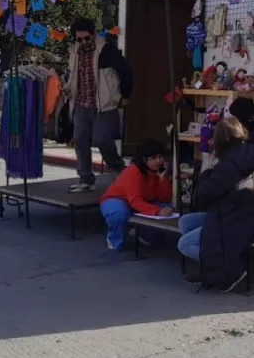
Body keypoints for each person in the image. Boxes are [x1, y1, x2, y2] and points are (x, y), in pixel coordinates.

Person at [177, 117, 254, 292]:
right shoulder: (245, 154)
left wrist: (209, 164)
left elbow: (204, 194)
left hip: (233, 220)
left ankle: (226, 268)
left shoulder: (228, 165)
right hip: (243, 213)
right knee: (185, 222)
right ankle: (211, 264)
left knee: (184, 244)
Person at [66, 18, 134, 192]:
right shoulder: (75, 51)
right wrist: (68, 88)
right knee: (80, 140)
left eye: (86, 38)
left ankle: (118, 168)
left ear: (93, 35)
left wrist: (125, 95)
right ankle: (86, 179)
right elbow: (74, 75)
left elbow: (126, 71)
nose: (83, 42)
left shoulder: (107, 50)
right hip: (81, 102)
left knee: (102, 139)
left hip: (103, 103)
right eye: (79, 39)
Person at [99, 140, 174, 251]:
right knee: (119, 214)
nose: (158, 161)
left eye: (160, 157)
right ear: (144, 159)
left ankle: (141, 234)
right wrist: (157, 211)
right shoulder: (133, 171)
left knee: (167, 209)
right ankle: (114, 241)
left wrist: (163, 179)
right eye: (153, 158)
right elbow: (135, 201)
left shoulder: (158, 172)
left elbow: (165, 198)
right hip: (117, 200)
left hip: (141, 201)